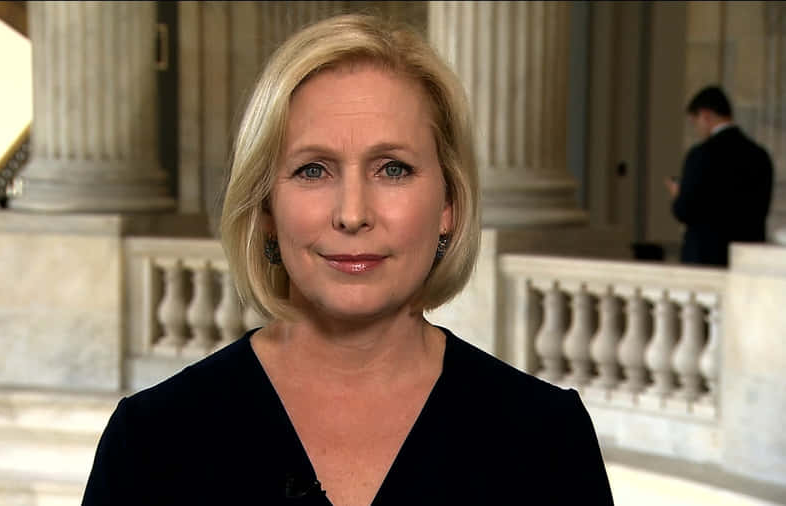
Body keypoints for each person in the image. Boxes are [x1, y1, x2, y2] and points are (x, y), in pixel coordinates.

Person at [82, 14, 613, 505]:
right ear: (266, 206)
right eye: (314, 170)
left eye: (393, 169)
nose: (353, 214)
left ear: (449, 204)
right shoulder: (152, 442)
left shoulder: (546, 439)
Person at [666, 86, 774, 266]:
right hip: (746, 259)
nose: (697, 129)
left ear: (705, 115)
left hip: (705, 258)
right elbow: (761, 208)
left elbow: (685, 209)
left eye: (695, 122)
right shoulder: (760, 156)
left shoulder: (700, 154)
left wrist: (678, 195)